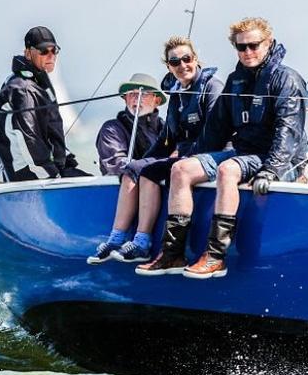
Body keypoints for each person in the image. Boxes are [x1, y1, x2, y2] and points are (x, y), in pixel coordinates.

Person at [136, 17, 307, 279]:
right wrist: (191, 158)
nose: (247, 52)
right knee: (181, 169)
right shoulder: (235, 81)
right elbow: (216, 130)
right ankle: (172, 254)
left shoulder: (287, 79)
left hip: (276, 157)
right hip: (243, 152)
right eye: (241, 47)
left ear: (269, 43)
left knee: (228, 169)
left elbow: (289, 131)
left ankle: (215, 257)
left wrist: (271, 170)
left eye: (254, 45)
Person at [87, 36, 224, 265]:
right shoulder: (177, 94)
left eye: (186, 59)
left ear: (196, 59)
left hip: (210, 154)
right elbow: (166, 141)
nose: (182, 65)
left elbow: (215, 133)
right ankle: (129, 239)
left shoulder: (212, 86)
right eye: (175, 62)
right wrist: (143, 164)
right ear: (169, 66)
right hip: (186, 156)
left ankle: (159, 246)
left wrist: (183, 154)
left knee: (174, 168)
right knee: (138, 169)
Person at [0, 26, 90, 181]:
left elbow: (49, 131)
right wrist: (52, 175)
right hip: (27, 174)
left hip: (45, 169)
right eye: (44, 51)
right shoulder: (22, 88)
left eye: (54, 50)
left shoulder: (37, 82)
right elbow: (28, 137)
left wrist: (65, 161)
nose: (50, 56)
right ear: (28, 53)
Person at [95, 73, 165, 176]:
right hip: (122, 189)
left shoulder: (166, 129)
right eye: (131, 93)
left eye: (143, 93)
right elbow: (117, 164)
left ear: (157, 101)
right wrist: (160, 167)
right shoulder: (111, 129)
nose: (136, 98)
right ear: (125, 98)